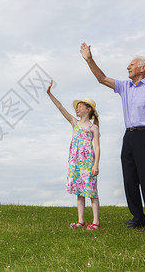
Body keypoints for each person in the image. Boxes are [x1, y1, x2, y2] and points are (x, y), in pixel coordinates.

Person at [80, 42, 145, 232]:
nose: (128, 67)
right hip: (128, 136)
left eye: (132, 65)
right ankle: (137, 217)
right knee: (129, 179)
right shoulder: (125, 86)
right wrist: (89, 60)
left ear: (143, 68)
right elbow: (102, 78)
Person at [47, 80, 101, 230]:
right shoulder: (74, 123)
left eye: (80, 107)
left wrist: (96, 164)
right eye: (77, 107)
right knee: (79, 191)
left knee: (91, 191)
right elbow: (60, 107)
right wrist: (49, 93)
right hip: (76, 162)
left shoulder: (93, 127)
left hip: (88, 162)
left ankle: (96, 222)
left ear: (88, 109)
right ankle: (81, 220)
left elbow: (97, 146)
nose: (77, 109)